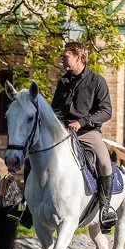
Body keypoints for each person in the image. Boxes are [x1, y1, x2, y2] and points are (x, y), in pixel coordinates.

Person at [50, 41, 118, 233]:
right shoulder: (63, 82)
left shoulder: (97, 81)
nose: (63, 59)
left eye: (66, 56)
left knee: (104, 163)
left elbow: (106, 111)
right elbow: (55, 109)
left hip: (88, 133)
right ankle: (28, 206)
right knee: (36, 154)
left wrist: (82, 122)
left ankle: (106, 208)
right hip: (63, 133)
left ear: (79, 57)